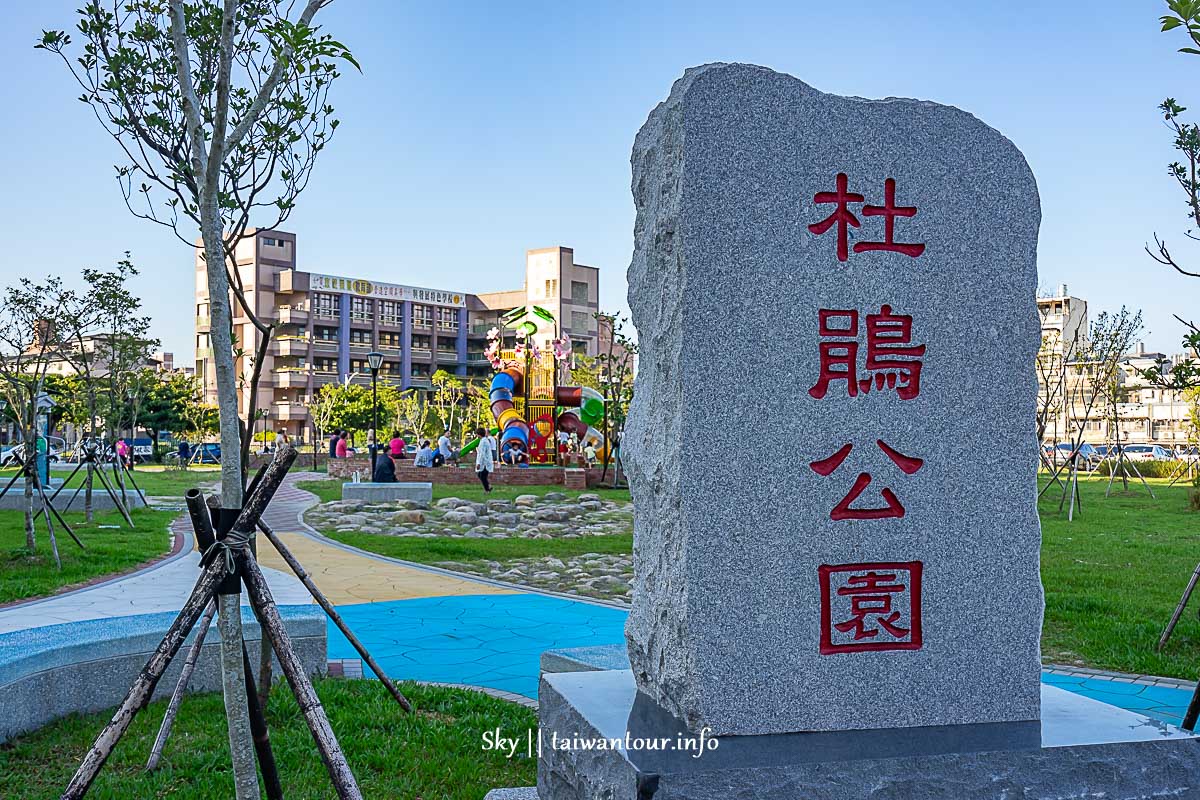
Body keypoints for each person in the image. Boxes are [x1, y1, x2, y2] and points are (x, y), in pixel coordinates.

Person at [474, 426, 497, 492]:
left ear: (479, 434)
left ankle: (487, 489)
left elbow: (482, 454)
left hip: (485, 461)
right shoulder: (483, 441)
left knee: (482, 475)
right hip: (485, 461)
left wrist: (479, 463)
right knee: (481, 475)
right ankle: (488, 487)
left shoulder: (483, 442)